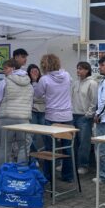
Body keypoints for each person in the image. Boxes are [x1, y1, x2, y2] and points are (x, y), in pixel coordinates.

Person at [34, 54, 74, 182]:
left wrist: (35, 81)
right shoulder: (67, 75)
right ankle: (68, 176)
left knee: (50, 149)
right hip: (67, 116)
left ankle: (48, 176)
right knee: (67, 147)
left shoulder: (44, 79)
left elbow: (37, 95)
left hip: (51, 116)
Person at [0, 59, 33, 166]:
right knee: (23, 146)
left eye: (5, 68)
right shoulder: (29, 83)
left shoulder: (4, 82)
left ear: (13, 68)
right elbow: (30, 101)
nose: (3, 71)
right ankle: (21, 171)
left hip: (6, 117)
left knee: (5, 146)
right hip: (24, 119)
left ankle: (5, 172)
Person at [71, 61, 98, 175]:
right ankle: (72, 164)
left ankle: (83, 165)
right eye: (77, 68)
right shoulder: (75, 83)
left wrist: (88, 115)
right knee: (73, 142)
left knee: (84, 143)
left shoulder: (92, 83)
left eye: (81, 69)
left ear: (87, 70)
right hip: (73, 115)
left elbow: (94, 100)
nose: (78, 71)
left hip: (84, 117)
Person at [27, 64, 46, 155]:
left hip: (43, 111)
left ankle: (46, 154)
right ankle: (34, 156)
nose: (35, 73)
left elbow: (45, 98)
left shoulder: (43, 82)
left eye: (36, 70)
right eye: (32, 71)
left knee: (45, 134)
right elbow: (29, 98)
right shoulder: (27, 83)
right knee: (31, 135)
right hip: (32, 111)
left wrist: (36, 98)